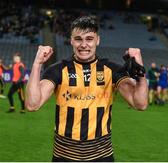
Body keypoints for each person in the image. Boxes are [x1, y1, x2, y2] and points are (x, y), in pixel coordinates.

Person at [26, 16, 148, 162]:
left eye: (89, 39)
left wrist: (139, 67)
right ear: (71, 40)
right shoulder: (58, 70)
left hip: (101, 156)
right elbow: (32, 104)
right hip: (64, 156)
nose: (84, 44)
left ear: (97, 40)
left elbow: (140, 104)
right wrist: (37, 64)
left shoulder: (112, 70)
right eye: (78, 39)